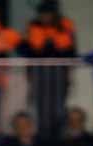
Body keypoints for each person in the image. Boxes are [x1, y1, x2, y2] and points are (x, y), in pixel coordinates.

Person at [20, 0, 77, 135]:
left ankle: (59, 133)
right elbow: (29, 50)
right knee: (41, 108)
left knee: (59, 107)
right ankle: (43, 134)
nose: (44, 17)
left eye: (47, 14)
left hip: (59, 72)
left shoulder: (65, 25)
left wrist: (52, 45)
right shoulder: (33, 25)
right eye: (42, 14)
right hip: (39, 72)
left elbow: (70, 51)